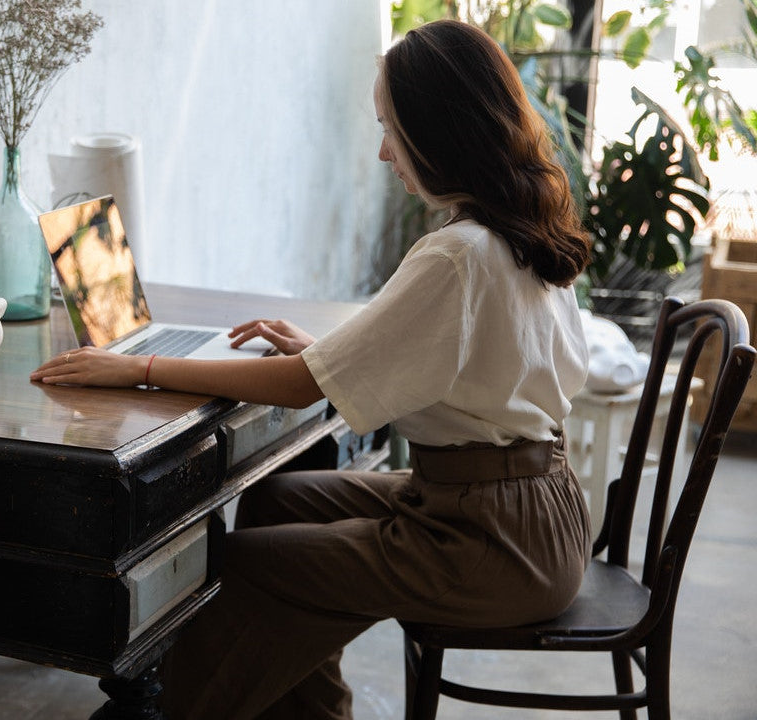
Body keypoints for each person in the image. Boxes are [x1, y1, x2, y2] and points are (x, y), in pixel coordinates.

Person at [31, 19, 592, 720]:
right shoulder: (516, 226)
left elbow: (300, 391)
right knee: (278, 500)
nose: (386, 152)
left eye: (392, 129)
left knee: (242, 570)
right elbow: (458, 364)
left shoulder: (459, 254)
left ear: (439, 131)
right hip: (530, 510)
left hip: (492, 541)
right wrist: (325, 355)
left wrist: (141, 367)